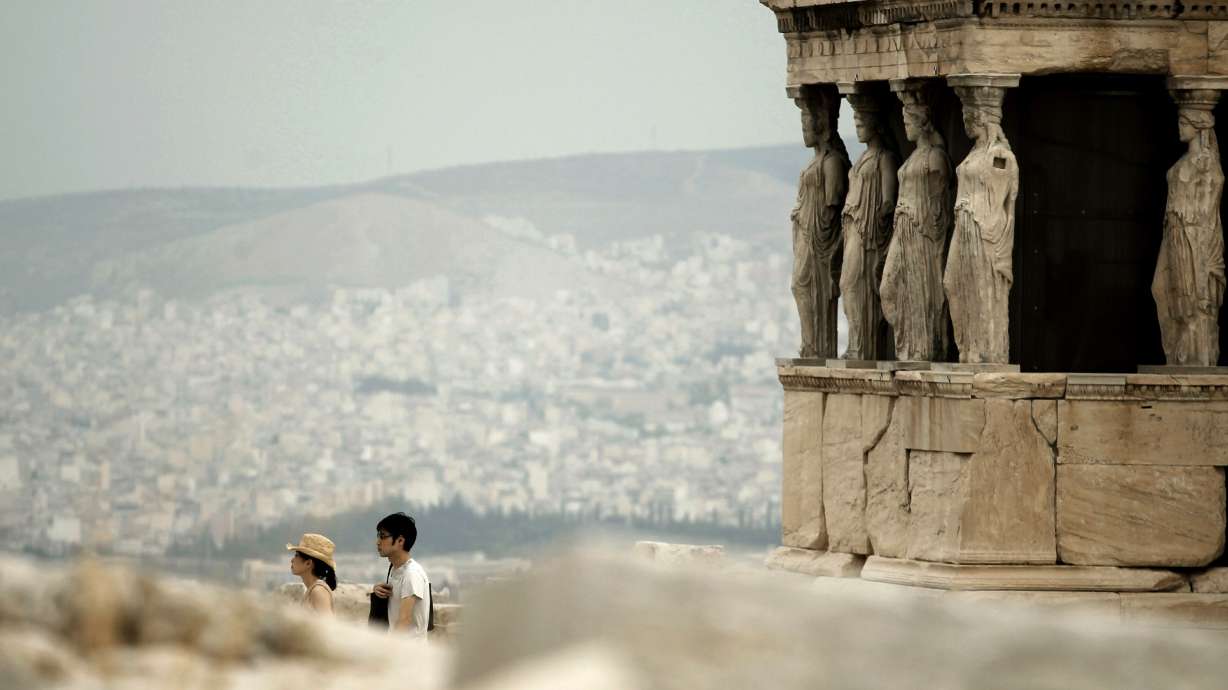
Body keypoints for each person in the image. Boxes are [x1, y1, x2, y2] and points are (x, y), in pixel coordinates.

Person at [371, 512, 430, 639]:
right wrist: (377, 590)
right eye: (378, 536)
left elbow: (404, 620)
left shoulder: (412, 574)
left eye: (383, 536)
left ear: (400, 541)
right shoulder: (395, 570)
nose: (378, 542)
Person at [286, 532, 337, 615]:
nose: (292, 560)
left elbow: (327, 622)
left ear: (308, 563)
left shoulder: (318, 591)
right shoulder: (313, 589)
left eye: (296, 555)